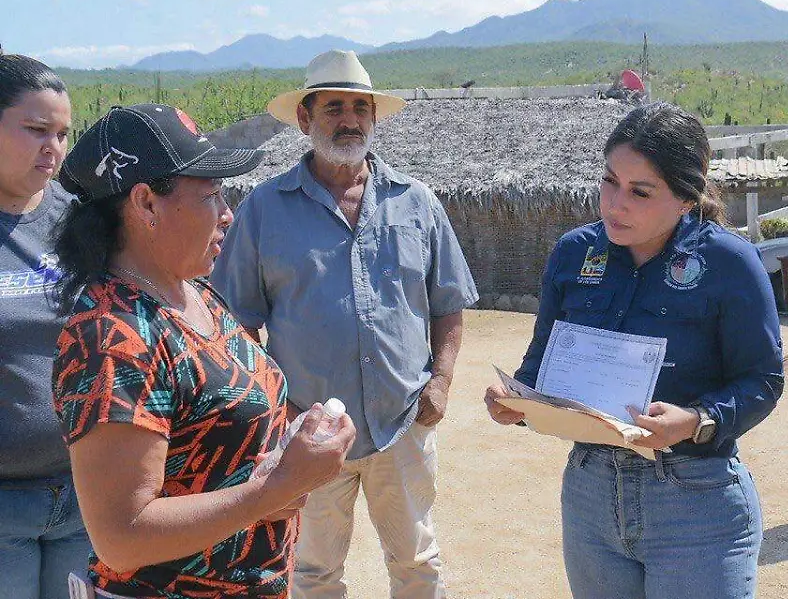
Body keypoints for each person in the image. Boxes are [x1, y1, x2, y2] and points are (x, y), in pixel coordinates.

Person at [50, 103, 355, 598]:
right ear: (146, 204)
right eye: (212, 195)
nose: (228, 214)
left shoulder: (194, 294)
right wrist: (271, 490)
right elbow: (122, 536)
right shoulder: (112, 339)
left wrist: (290, 456)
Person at [484, 102, 785, 599]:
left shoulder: (730, 262)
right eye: (609, 181)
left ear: (686, 199)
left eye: (640, 192)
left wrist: (694, 420)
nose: (614, 204)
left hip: (695, 502)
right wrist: (515, 400)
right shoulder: (573, 253)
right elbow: (541, 362)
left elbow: (763, 381)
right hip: (590, 495)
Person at [212, 50, 478, 599]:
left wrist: (442, 382)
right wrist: (274, 411)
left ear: (374, 118)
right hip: (307, 431)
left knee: (417, 564)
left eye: (361, 107)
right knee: (312, 574)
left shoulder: (416, 203)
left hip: (401, 422)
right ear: (305, 120)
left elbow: (448, 300)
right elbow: (234, 324)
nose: (350, 119)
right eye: (334, 107)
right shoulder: (264, 209)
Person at [0, 52, 90, 599]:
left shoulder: (80, 218)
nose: (53, 148)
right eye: (36, 130)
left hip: (86, 494)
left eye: (62, 133)